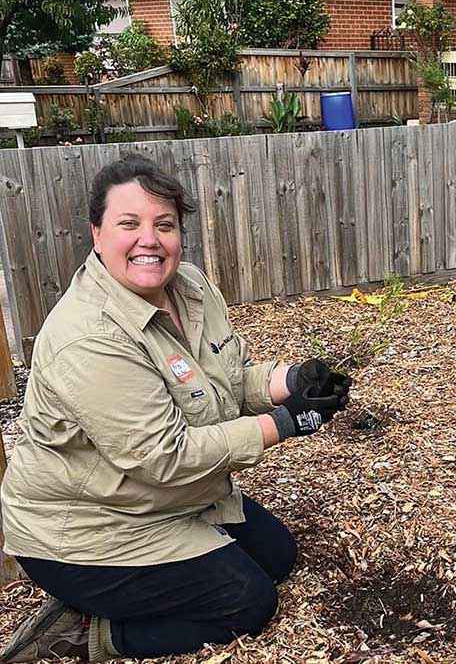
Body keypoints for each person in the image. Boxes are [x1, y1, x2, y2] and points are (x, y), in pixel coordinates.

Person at [0, 154, 352, 662]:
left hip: (158, 499)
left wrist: (294, 381)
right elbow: (163, 458)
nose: (150, 239)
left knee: (277, 555)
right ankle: (90, 634)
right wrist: (284, 422)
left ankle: (138, 591)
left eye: (164, 224)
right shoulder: (89, 337)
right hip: (88, 527)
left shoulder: (188, 286)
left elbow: (225, 379)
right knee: (249, 603)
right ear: (96, 234)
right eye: (129, 224)